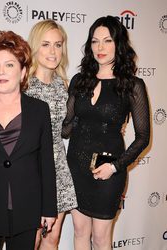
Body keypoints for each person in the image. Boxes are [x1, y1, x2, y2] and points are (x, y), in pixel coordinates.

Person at [0, 20, 77, 250]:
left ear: (22, 72)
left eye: (9, 65)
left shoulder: (39, 109)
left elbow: (46, 163)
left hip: (27, 210)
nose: (1, 72)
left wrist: (49, 209)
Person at [62, 16, 150, 250]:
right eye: (94, 41)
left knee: (101, 238)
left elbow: (143, 137)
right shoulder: (80, 81)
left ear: (118, 44)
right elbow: (66, 127)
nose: (100, 47)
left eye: (107, 40)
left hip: (108, 170)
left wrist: (115, 166)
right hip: (76, 168)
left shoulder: (132, 85)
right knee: (80, 233)